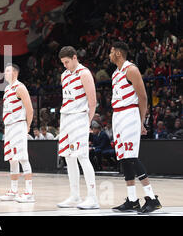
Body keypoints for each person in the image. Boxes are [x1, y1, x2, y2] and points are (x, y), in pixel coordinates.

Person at [109, 41, 161, 213]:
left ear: (117, 53)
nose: (109, 55)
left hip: (129, 114)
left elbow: (143, 97)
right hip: (118, 115)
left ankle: (152, 198)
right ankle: (132, 200)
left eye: (111, 51)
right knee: (124, 159)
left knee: (131, 157)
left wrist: (141, 120)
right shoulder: (116, 73)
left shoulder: (131, 69)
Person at [57, 46, 99, 209]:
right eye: (63, 63)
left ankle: (93, 198)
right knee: (68, 157)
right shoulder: (64, 75)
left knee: (82, 157)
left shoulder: (84, 73)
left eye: (67, 62)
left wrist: (86, 121)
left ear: (75, 57)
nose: (65, 65)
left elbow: (92, 101)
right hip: (66, 117)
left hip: (79, 117)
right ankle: (75, 196)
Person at [0, 64, 35, 203]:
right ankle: (13, 191)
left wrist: (28, 126)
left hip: (19, 124)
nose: (5, 73)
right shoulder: (7, 89)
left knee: (23, 158)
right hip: (9, 127)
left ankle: (29, 192)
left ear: (14, 73)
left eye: (7, 71)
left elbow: (30, 109)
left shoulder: (20, 87)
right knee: (12, 159)